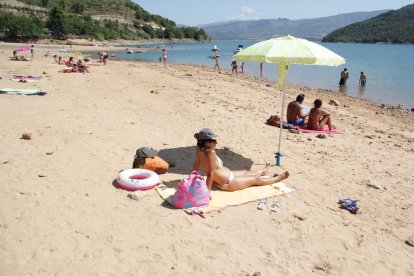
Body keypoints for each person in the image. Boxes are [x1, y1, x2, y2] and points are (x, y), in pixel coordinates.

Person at [192, 128, 289, 195]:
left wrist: (191, 181)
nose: (216, 143)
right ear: (207, 142)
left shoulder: (199, 149)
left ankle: (262, 171)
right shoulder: (210, 153)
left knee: (245, 172)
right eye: (214, 141)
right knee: (255, 180)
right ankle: (277, 179)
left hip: (226, 176)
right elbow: (210, 174)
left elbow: (196, 165)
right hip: (228, 183)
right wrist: (207, 193)